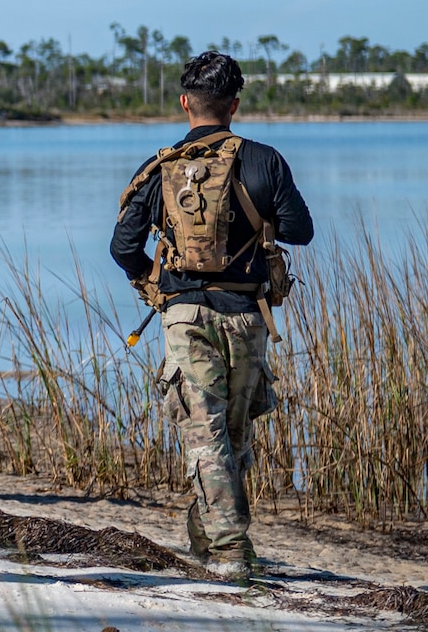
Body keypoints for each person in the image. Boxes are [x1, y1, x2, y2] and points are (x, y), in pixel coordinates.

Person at [110, 51, 314, 584]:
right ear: (235, 104)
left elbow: (123, 245)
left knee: (208, 436)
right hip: (247, 317)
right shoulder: (264, 160)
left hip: (184, 317)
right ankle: (229, 550)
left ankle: (213, 544)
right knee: (230, 436)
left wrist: (154, 285)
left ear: (184, 103)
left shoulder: (158, 167)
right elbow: (301, 230)